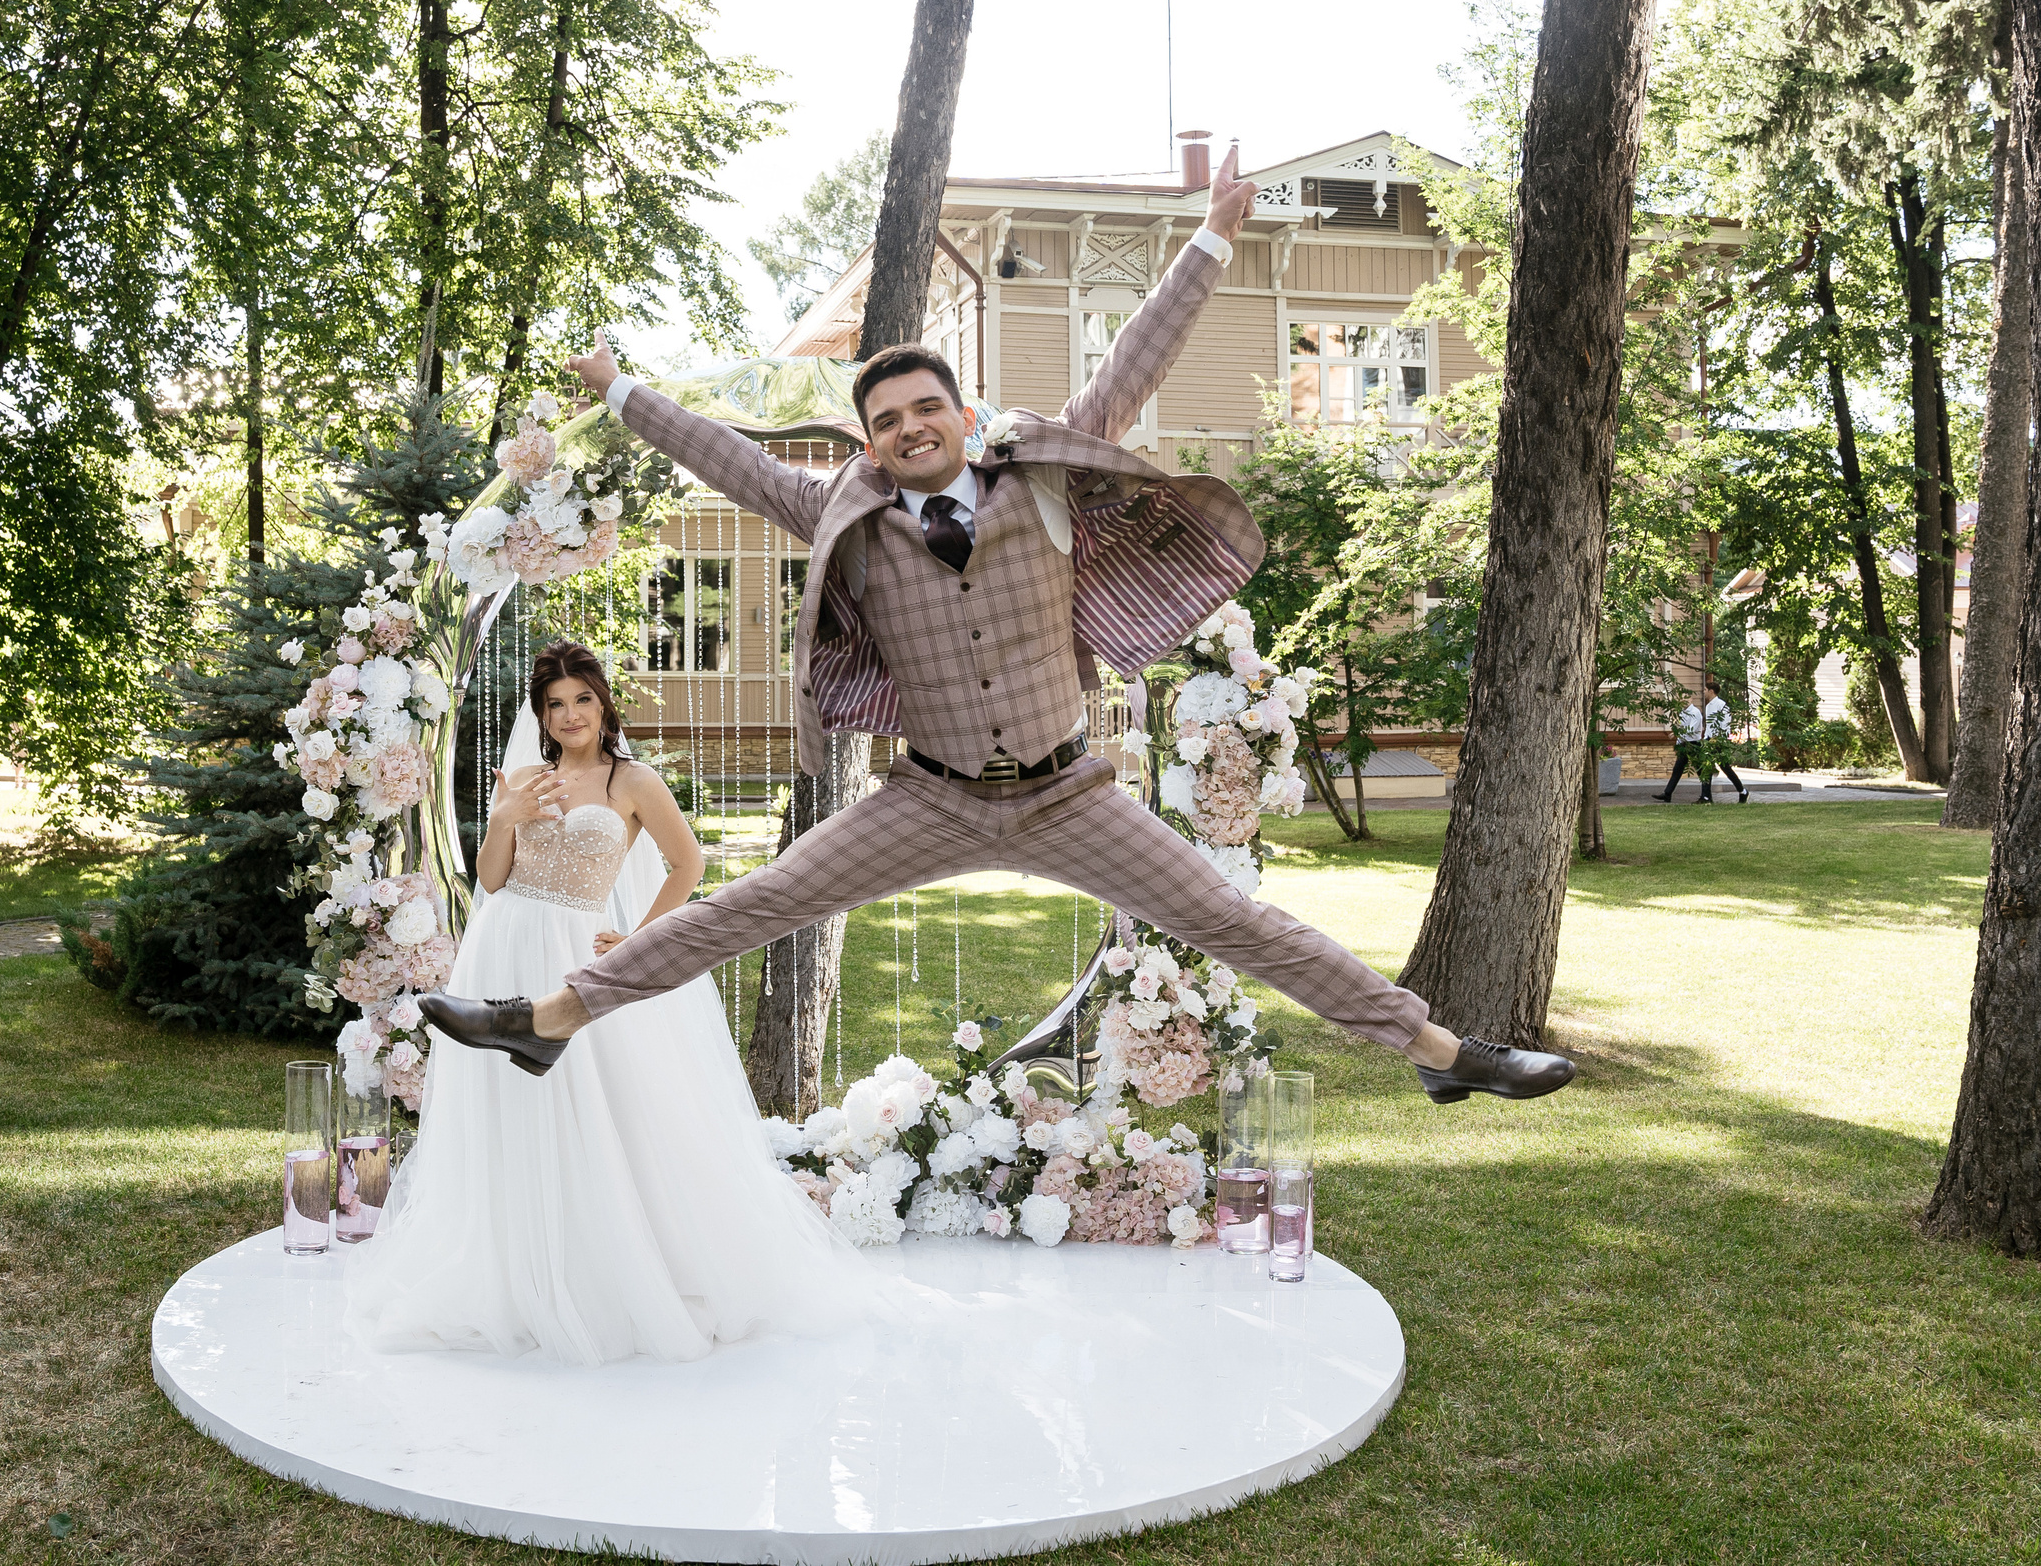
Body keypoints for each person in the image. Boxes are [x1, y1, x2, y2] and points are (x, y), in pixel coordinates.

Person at [422, 145, 1573, 1109]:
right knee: (752, 902)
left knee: (1232, 919)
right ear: (869, 442)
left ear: (963, 418)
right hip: (928, 797)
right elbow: (728, 456)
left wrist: (1214, 235)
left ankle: (1439, 1053)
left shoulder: (1043, 481)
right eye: (887, 420)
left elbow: (1133, 360)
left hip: (1069, 793)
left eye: (929, 409)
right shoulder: (844, 512)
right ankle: (551, 1018)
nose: (911, 428)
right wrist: (623, 391)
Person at [345, 642, 871, 1366]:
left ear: (602, 703)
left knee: (597, 1103)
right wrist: (504, 815)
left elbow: (689, 862)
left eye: (581, 700)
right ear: (542, 714)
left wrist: (640, 939)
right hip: (504, 944)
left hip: (579, 953)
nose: (568, 716)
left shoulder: (633, 780)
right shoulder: (529, 777)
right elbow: (494, 880)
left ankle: (601, 1265)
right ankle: (517, 1266)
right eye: (555, 705)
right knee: (510, 1106)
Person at [1656, 677, 1748, 804]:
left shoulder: (1721, 705)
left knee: (1725, 768)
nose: (1703, 692)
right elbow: (1709, 726)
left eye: (1705, 690)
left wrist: (1719, 739)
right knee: (1706, 768)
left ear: (1711, 691)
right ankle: (1706, 797)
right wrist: (1706, 739)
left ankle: (1742, 791)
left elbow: (1726, 723)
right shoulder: (1709, 706)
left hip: (1718, 741)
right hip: (1708, 741)